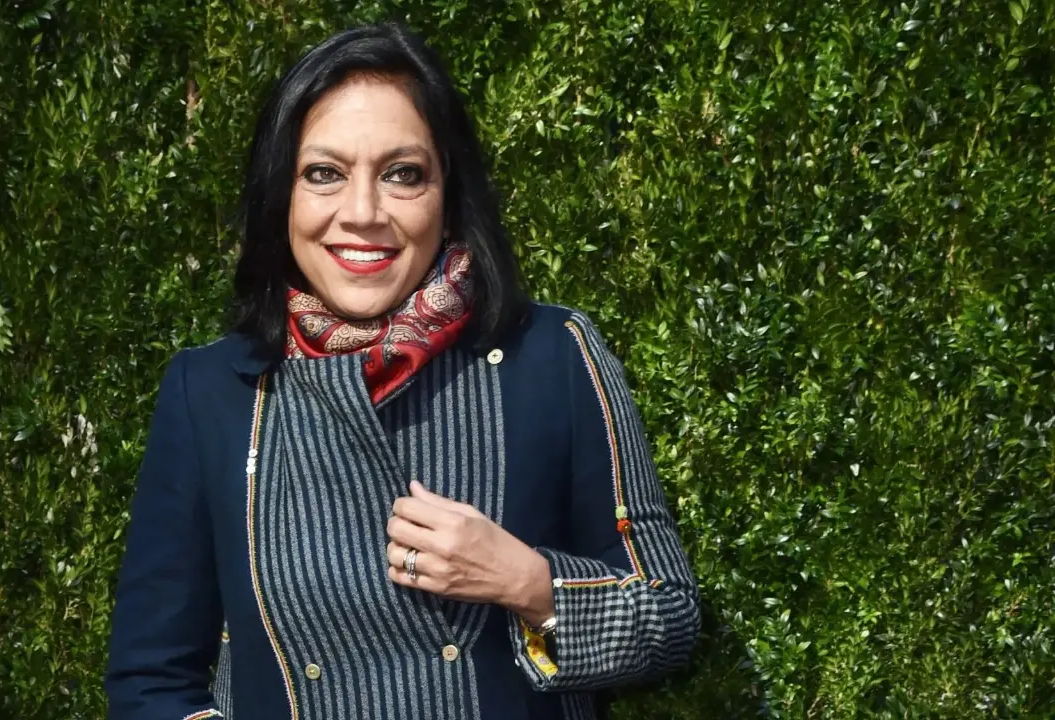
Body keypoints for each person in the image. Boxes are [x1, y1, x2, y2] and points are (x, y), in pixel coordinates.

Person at [104, 22, 700, 720]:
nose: (363, 213)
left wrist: (527, 581)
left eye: (402, 174)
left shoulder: (552, 356)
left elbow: (669, 614)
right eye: (323, 174)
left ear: (449, 193)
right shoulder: (214, 392)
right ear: (281, 195)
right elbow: (151, 681)